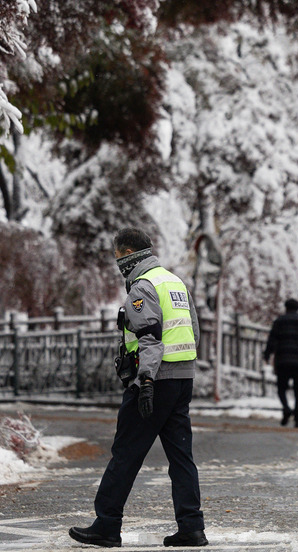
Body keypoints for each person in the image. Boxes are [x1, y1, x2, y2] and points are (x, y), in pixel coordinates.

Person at [69, 223, 208, 548]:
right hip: (181, 379)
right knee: (181, 456)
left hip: (154, 381)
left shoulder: (142, 286)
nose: (117, 264)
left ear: (129, 254)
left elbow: (150, 336)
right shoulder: (174, 282)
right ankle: (191, 526)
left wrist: (145, 380)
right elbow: (195, 331)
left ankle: (107, 524)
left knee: (126, 453)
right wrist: (182, 366)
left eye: (118, 256)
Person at [262, 298, 298, 427]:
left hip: (283, 359)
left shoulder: (279, 322)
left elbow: (272, 339)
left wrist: (267, 354)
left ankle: (286, 408)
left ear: (286, 308)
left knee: (281, 388)